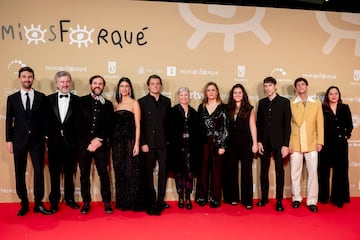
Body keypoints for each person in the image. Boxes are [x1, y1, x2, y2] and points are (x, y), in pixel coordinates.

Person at [5, 66, 52, 216]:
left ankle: (38, 203)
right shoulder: (12, 98)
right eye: (24, 77)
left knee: (39, 171)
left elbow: (46, 120)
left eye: (30, 77)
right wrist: (8, 140)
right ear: (20, 78)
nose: (27, 79)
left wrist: (45, 137)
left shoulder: (41, 97)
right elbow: (9, 120)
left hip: (37, 141)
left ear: (33, 78)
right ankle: (24, 203)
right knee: (20, 171)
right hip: (18, 140)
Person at [76, 75, 113, 214]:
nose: (98, 85)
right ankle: (86, 202)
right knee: (84, 174)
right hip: (84, 145)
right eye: (95, 83)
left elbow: (109, 125)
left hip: (101, 145)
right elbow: (78, 124)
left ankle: (107, 202)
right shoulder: (81, 101)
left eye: (100, 83)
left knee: (104, 173)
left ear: (103, 86)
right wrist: (90, 140)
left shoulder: (108, 104)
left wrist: (99, 140)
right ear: (91, 85)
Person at [46, 71, 80, 213]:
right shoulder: (48, 100)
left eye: (67, 81)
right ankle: (54, 201)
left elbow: (80, 123)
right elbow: (45, 121)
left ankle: (70, 199)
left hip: (71, 144)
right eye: (62, 82)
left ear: (70, 83)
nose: (65, 84)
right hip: (53, 144)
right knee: (54, 174)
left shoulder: (78, 100)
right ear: (57, 84)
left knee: (69, 173)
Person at [256, 77, 291, 211]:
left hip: (279, 143)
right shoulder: (262, 103)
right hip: (264, 143)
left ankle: (279, 200)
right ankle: (264, 198)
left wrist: (285, 145)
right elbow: (258, 124)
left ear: (275, 86)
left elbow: (287, 125)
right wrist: (259, 141)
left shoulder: (284, 102)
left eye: (270, 85)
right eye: (265, 86)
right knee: (263, 172)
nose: (267, 88)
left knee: (279, 171)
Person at [289, 77, 324, 213]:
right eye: (298, 85)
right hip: (296, 141)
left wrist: (319, 141)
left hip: (311, 142)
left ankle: (311, 201)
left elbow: (319, 124)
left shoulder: (316, 103)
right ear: (295, 88)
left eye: (303, 84)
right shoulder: (291, 103)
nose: (301, 87)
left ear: (307, 86)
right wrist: (289, 143)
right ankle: (296, 198)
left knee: (313, 173)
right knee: (295, 173)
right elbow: (289, 125)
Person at [138, 74, 171, 215]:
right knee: (148, 174)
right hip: (148, 144)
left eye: (158, 83)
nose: (155, 86)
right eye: (152, 83)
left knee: (163, 173)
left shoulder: (167, 101)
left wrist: (168, 141)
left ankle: (160, 200)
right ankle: (150, 200)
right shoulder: (141, 101)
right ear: (148, 86)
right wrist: (142, 143)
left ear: (160, 85)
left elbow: (168, 124)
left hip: (163, 144)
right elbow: (139, 124)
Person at [111, 77, 144, 211]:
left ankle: (132, 202)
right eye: (122, 86)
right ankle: (123, 202)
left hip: (130, 141)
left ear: (130, 89)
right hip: (117, 142)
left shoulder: (134, 103)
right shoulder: (115, 104)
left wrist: (137, 144)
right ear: (119, 88)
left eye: (127, 86)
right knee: (119, 171)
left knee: (131, 171)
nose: (124, 89)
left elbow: (138, 125)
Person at [223, 84, 258, 210]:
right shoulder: (227, 108)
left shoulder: (249, 108)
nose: (237, 94)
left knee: (246, 171)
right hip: (231, 144)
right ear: (232, 95)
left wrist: (255, 143)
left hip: (246, 144)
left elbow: (253, 126)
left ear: (243, 94)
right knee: (231, 171)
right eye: (235, 93)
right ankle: (232, 197)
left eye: (240, 92)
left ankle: (247, 200)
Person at [319, 86, 353, 208]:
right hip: (326, 144)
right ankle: (323, 197)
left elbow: (350, 125)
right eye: (331, 94)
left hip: (341, 145)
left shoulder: (344, 108)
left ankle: (339, 198)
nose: (333, 96)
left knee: (340, 171)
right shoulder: (322, 109)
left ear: (339, 95)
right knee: (323, 171)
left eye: (336, 93)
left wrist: (345, 136)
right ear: (327, 96)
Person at [168, 87, 200, 210]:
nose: (184, 97)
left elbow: (197, 132)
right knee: (179, 173)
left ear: (189, 97)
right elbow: (169, 130)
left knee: (189, 173)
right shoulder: (173, 111)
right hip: (177, 148)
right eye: (182, 95)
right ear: (178, 96)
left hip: (190, 149)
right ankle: (180, 196)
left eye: (186, 95)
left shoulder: (194, 112)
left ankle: (188, 197)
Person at [196, 82, 228, 208]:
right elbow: (198, 127)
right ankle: (202, 196)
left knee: (216, 171)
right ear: (206, 93)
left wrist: (222, 145)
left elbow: (226, 128)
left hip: (217, 143)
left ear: (217, 92)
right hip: (203, 143)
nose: (211, 92)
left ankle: (215, 198)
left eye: (213, 90)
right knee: (203, 171)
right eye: (208, 90)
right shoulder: (201, 107)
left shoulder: (223, 107)